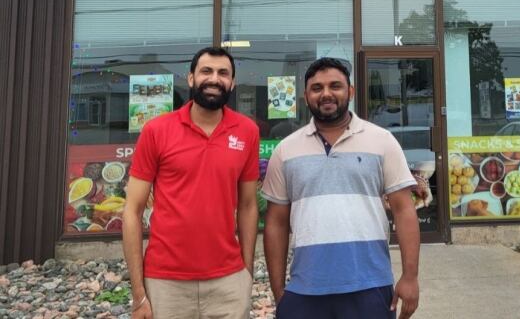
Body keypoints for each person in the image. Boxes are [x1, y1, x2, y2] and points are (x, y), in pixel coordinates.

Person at [262, 57, 420, 319]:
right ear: (305, 96)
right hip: (304, 290)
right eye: (317, 88)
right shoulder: (285, 150)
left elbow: (404, 210)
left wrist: (410, 276)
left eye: (335, 86)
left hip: (370, 286)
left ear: (351, 91)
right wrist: (280, 293)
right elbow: (276, 223)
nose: (326, 94)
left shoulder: (382, 141)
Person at [123, 47, 260, 318]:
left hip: (228, 280)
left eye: (223, 73)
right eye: (206, 71)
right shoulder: (157, 131)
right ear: (190, 78)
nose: (214, 79)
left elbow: (247, 205)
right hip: (165, 280)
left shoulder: (247, 131)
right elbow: (132, 211)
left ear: (232, 83)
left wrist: (246, 272)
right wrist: (139, 293)